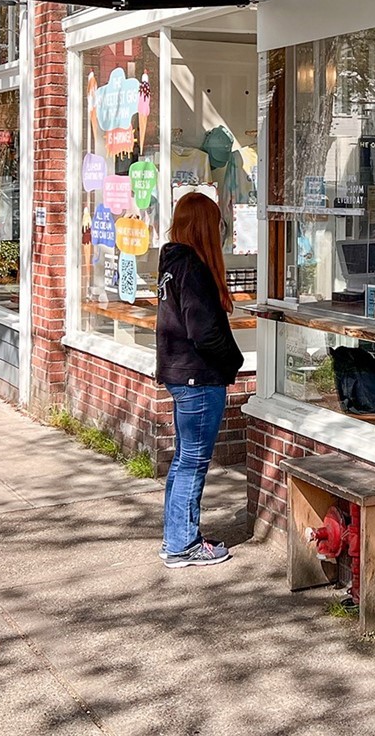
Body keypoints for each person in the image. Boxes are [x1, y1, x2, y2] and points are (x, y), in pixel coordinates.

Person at [155, 191, 244, 567]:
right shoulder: (193, 268)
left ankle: (176, 537)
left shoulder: (173, 262)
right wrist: (234, 360)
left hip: (180, 375)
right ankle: (183, 545)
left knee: (183, 460)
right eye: (217, 224)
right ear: (206, 227)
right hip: (198, 379)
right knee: (193, 461)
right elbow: (204, 332)